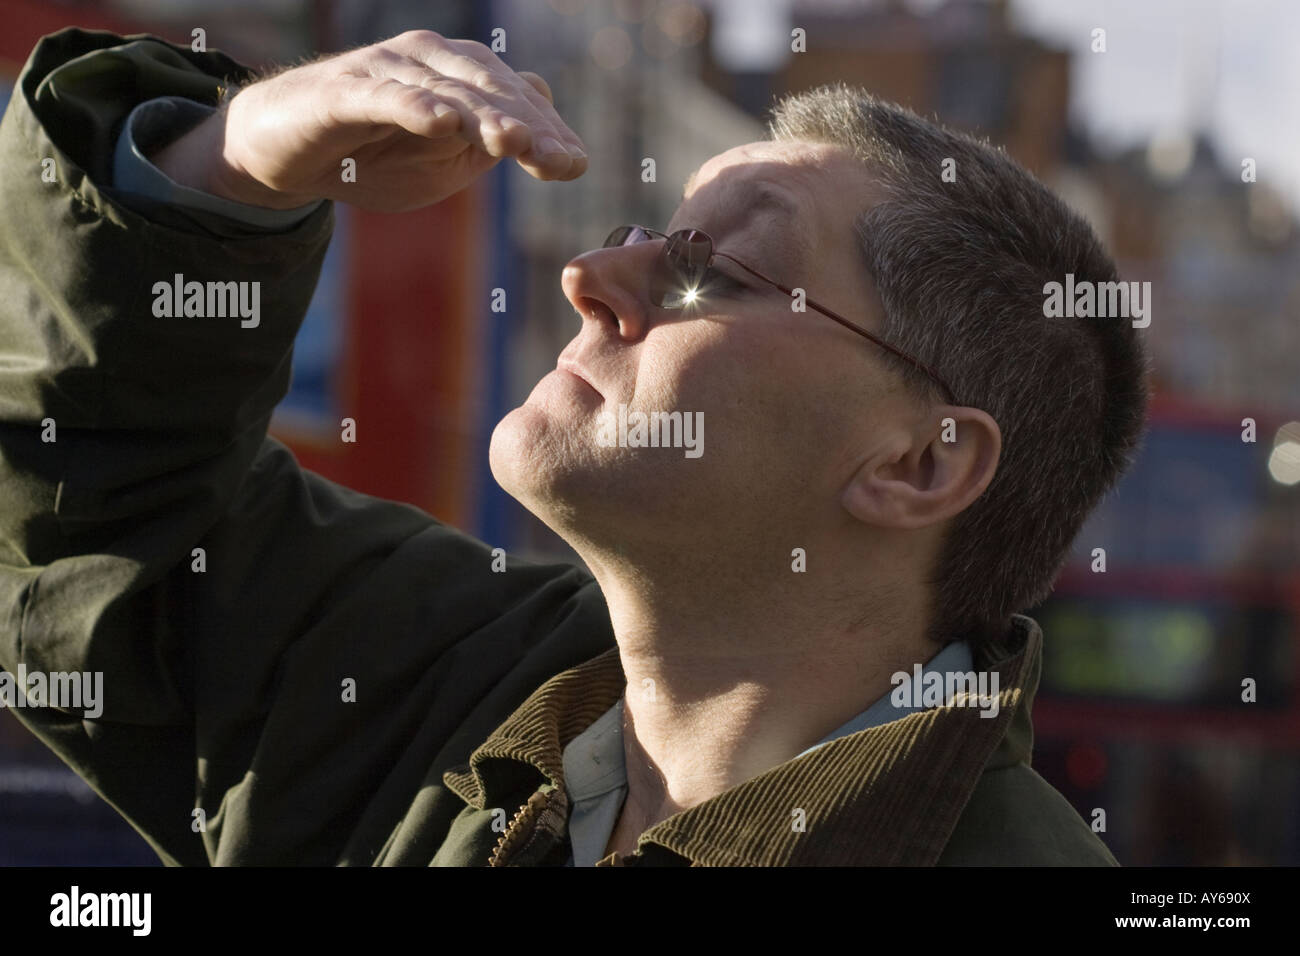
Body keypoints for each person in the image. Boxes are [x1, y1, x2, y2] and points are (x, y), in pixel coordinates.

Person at [0, 26, 1144, 866]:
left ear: (918, 463)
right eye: (637, 235)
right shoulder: (435, 679)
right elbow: (87, 526)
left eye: (714, 274)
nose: (588, 280)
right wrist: (225, 166)